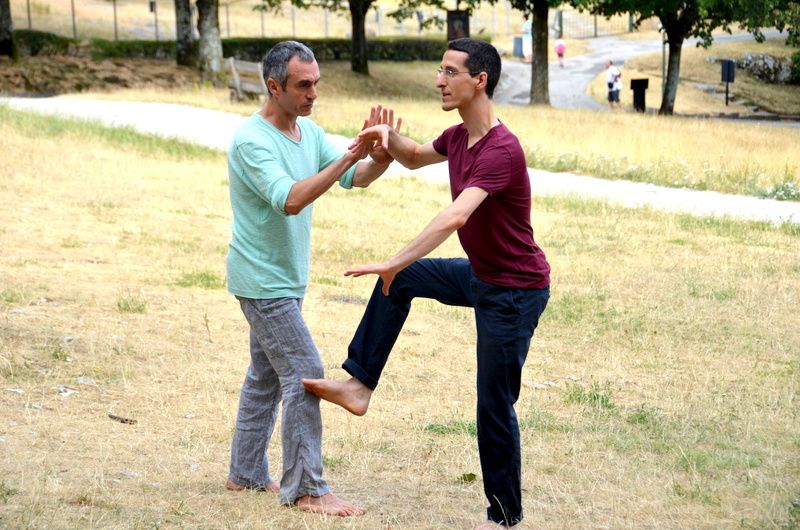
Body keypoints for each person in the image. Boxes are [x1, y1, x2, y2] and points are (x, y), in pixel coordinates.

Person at [303, 38, 550, 530]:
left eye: (450, 71)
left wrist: (392, 259)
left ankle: (504, 517)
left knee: (493, 403)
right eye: (439, 70)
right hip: (483, 277)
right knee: (408, 279)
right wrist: (384, 140)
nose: (439, 80)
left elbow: (456, 216)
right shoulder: (459, 138)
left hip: (515, 293)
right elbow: (415, 155)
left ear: (479, 81)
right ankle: (358, 384)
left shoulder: (502, 149)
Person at [224, 40, 400, 517]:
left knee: (266, 375)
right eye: (303, 85)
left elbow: (356, 177)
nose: (313, 93)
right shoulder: (251, 140)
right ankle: (306, 489)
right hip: (261, 281)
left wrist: (378, 155)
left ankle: (244, 474)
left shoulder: (308, 132)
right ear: (274, 86)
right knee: (304, 374)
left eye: (317, 83)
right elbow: (291, 199)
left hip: (285, 280)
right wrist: (346, 157)